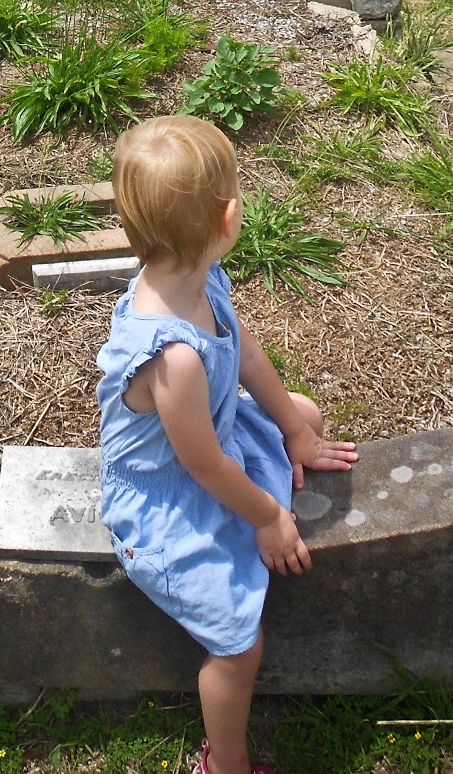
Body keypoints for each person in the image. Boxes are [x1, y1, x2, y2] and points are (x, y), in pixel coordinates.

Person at [96, 116, 358, 774]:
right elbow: (203, 464)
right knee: (239, 648)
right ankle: (226, 765)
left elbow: (242, 350)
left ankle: (289, 439)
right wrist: (268, 516)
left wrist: (293, 428)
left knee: (307, 412)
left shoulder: (198, 278)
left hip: (212, 437)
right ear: (229, 217)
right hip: (170, 498)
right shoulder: (173, 357)